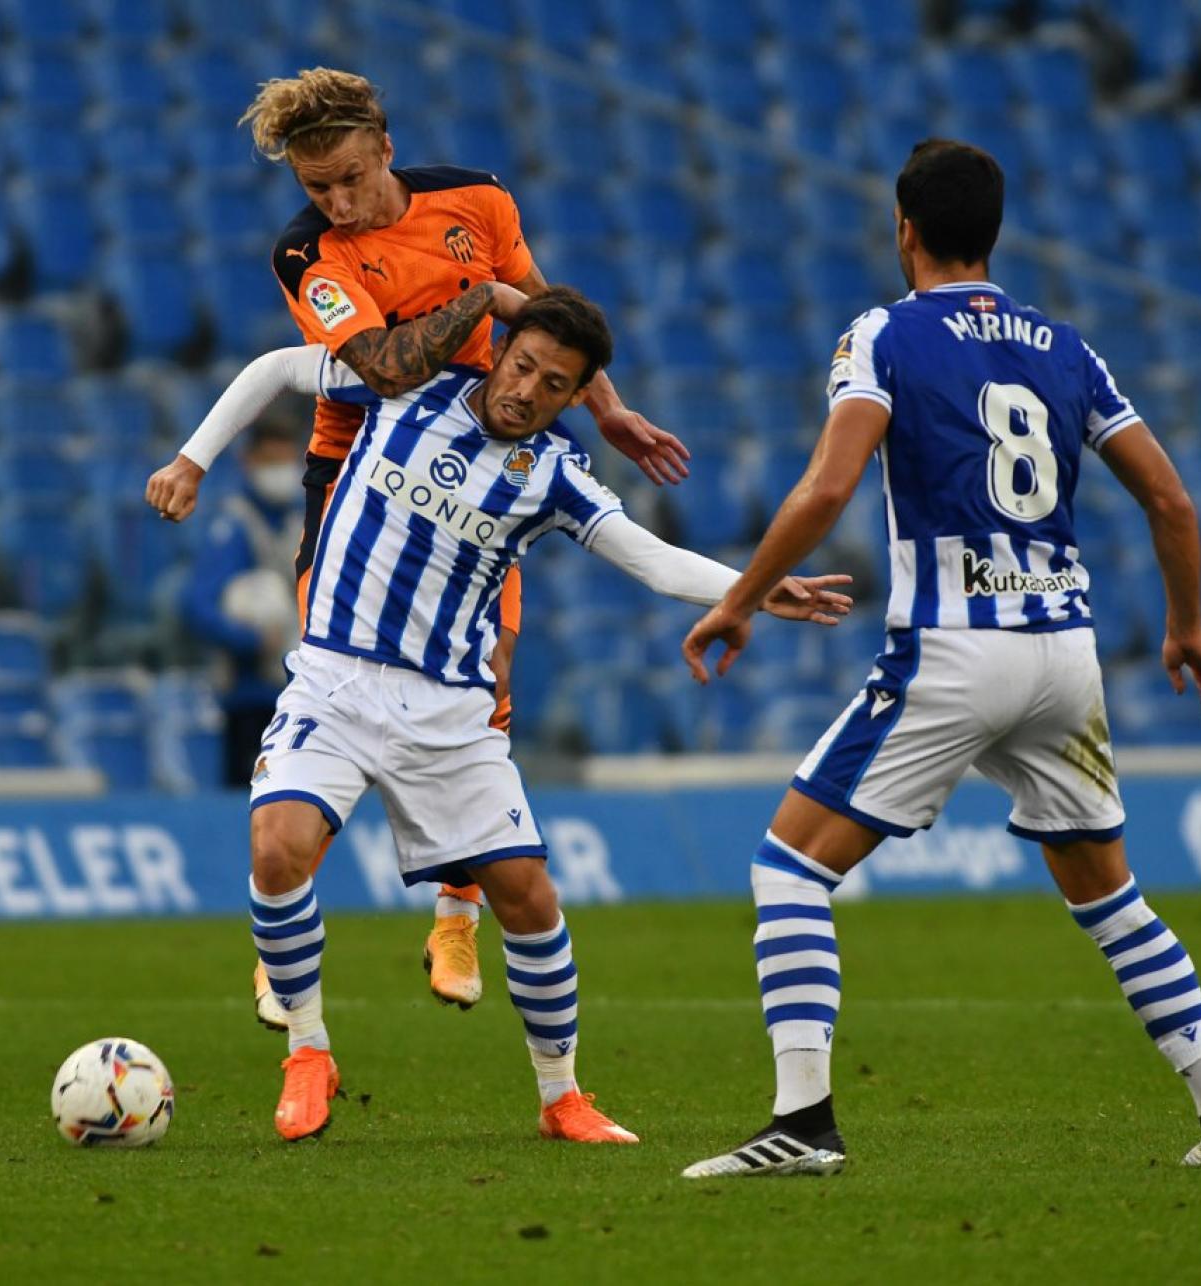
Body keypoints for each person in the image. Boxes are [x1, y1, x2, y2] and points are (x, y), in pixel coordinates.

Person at [677, 139, 1201, 1179]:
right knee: (1108, 895)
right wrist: (1185, 624)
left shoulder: (884, 337)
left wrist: (736, 598)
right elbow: (1171, 500)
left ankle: (804, 1122)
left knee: (789, 865)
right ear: (992, 231)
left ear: (904, 227)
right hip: (1066, 656)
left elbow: (825, 488)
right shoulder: (1066, 346)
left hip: (957, 649)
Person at [184, 288, 850, 1143]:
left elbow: (648, 560)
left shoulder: (556, 478)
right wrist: (193, 458)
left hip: (451, 713)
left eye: (554, 383)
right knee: (278, 849)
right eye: (523, 364)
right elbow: (280, 368)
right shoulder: (403, 388)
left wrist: (754, 587)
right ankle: (309, 1052)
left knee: (528, 898)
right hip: (334, 681)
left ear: (576, 398)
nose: (527, 389)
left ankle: (561, 1097)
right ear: (499, 350)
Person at [149, 67, 693, 1022]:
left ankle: (456, 913)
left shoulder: (476, 200)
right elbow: (386, 368)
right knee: (333, 674)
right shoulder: (304, 254)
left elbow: (545, 311)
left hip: (482, 450)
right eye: (318, 188)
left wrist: (607, 408)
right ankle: (285, 917)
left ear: (386, 149)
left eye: (352, 178)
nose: (339, 203)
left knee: (495, 663)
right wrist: (479, 303)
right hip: (356, 452)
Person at [181, 420, 307, 786]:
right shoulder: (233, 526)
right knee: (251, 813)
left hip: (302, 696)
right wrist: (251, 640)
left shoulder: (303, 517)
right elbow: (198, 605)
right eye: (271, 462)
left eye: (287, 460)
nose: (281, 472)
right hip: (250, 699)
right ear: (248, 462)